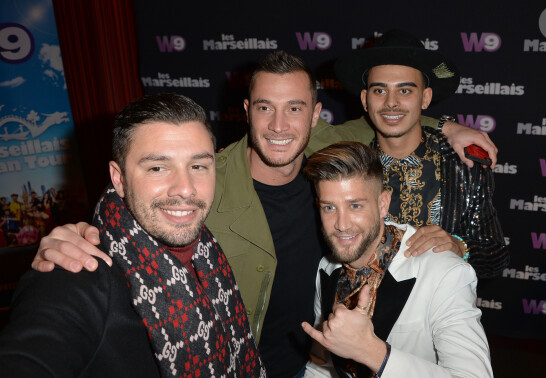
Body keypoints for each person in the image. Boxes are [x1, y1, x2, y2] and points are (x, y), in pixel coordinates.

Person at [29, 51, 497, 376]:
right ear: (247, 112)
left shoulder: (330, 148)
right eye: (266, 109)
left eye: (295, 108)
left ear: (315, 116)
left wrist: (449, 126)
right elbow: (144, 213)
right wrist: (82, 236)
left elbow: (390, 116)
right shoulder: (203, 187)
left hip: (312, 364)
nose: (279, 126)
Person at [0, 93, 265, 377]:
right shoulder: (74, 275)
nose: (185, 189)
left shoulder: (209, 250)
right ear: (119, 178)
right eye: (157, 168)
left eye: (198, 166)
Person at [326, 29, 508, 278]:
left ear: (425, 98)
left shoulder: (463, 164)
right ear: (365, 99)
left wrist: (459, 246)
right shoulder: (350, 167)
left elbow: (496, 255)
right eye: (380, 91)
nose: (391, 102)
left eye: (405, 91)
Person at [301, 141, 492, 377]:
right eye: (329, 208)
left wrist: (371, 351)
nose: (341, 224)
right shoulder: (328, 267)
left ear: (383, 204)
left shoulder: (445, 273)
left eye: (355, 205)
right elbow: (323, 365)